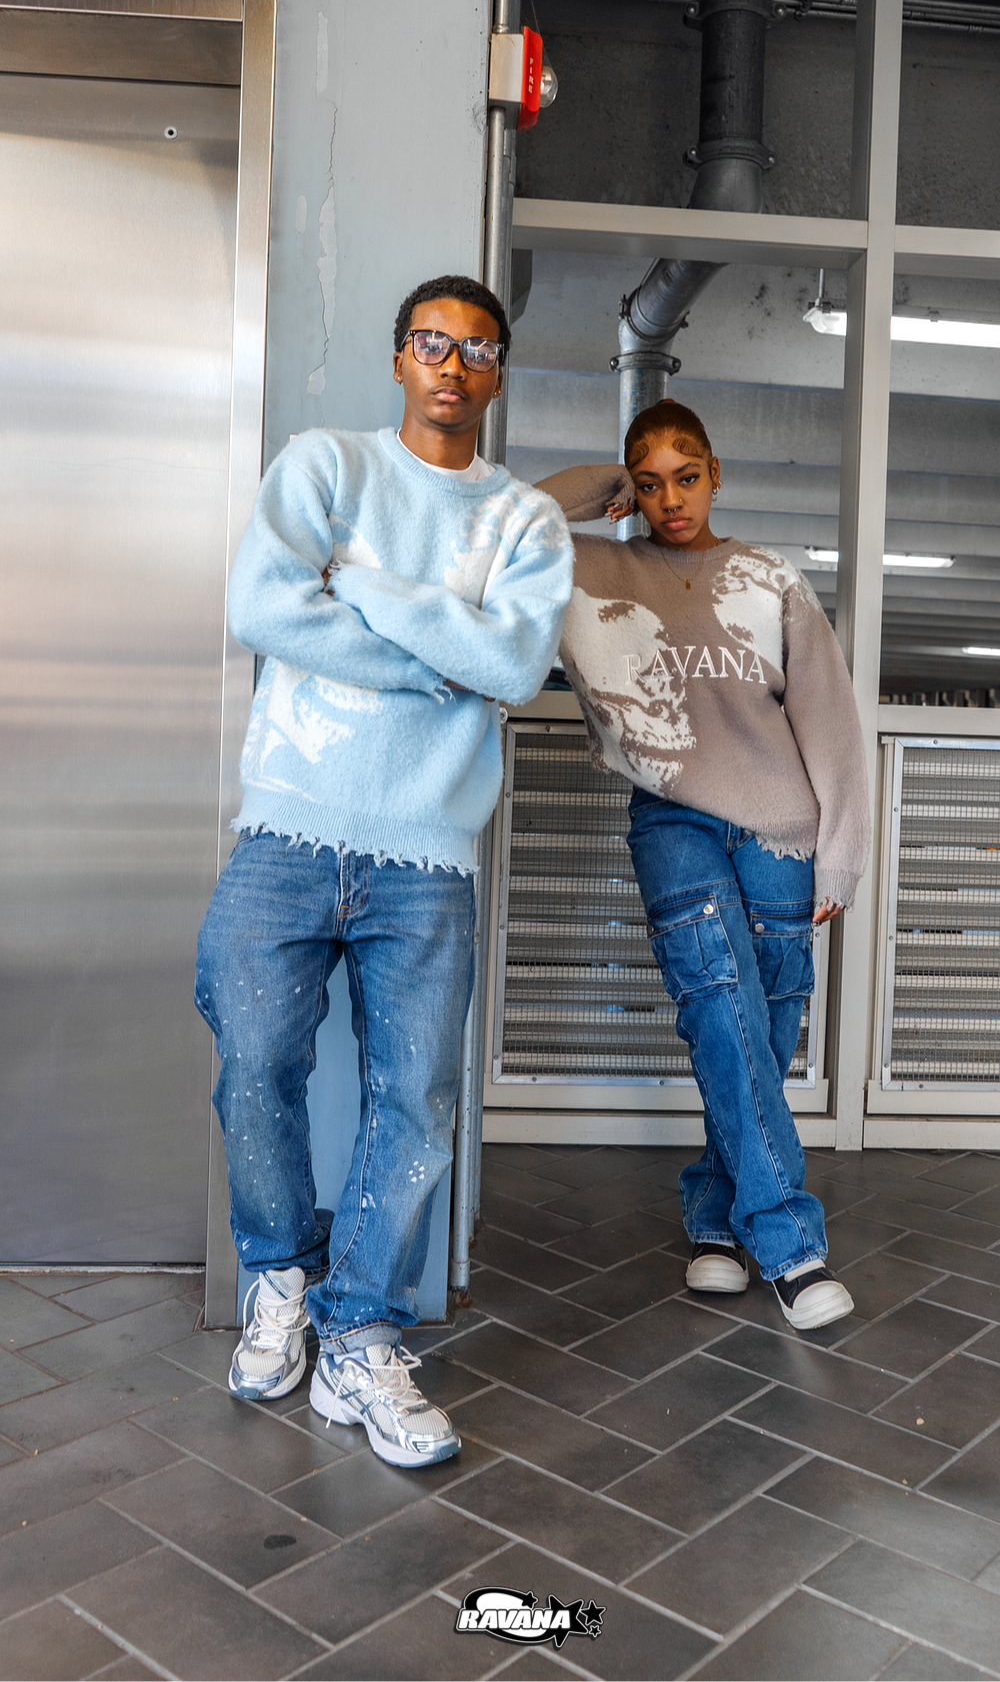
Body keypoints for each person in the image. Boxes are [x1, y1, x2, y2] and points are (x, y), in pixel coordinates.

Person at [195, 273, 572, 1463]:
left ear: (498, 372)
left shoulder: (526, 524)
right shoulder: (324, 468)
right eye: (430, 343)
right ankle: (280, 1278)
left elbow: (511, 663)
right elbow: (263, 606)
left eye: (476, 348)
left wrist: (358, 585)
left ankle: (360, 1333)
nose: (452, 366)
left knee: (414, 1102)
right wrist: (426, 656)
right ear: (398, 357)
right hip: (287, 828)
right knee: (255, 1061)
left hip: (426, 853)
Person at [536, 398, 869, 1332]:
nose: (670, 499)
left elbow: (831, 723)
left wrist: (839, 856)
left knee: (765, 1029)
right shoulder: (592, 567)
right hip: (672, 820)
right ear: (629, 488)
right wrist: (597, 487)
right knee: (719, 1006)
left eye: (687, 477)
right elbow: (500, 528)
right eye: (649, 482)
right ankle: (790, 1244)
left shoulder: (768, 579)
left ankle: (716, 1220)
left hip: (780, 830)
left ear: (717, 473)